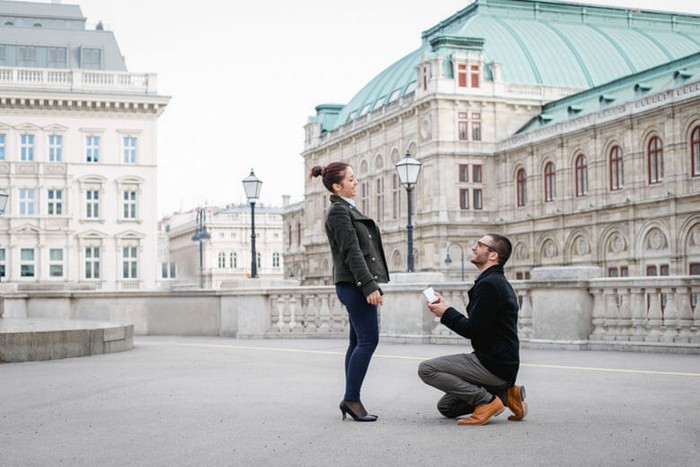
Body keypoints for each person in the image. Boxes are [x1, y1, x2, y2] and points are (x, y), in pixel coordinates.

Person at [418, 233, 527, 426]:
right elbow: (481, 325)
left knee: (427, 369)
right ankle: (506, 394)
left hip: (493, 363)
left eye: (479, 244)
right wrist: (446, 308)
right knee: (447, 407)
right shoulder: (494, 281)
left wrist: (446, 313)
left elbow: (473, 330)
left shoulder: (490, 284)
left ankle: (487, 402)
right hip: (501, 363)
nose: (473, 248)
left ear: (493, 255)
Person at [310, 162, 389, 422]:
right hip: (354, 285)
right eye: (351, 179)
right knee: (368, 341)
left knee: (357, 342)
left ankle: (350, 397)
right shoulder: (338, 212)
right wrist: (369, 285)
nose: (356, 182)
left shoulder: (345, 209)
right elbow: (352, 252)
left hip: (353, 284)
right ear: (337, 186)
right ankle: (352, 399)